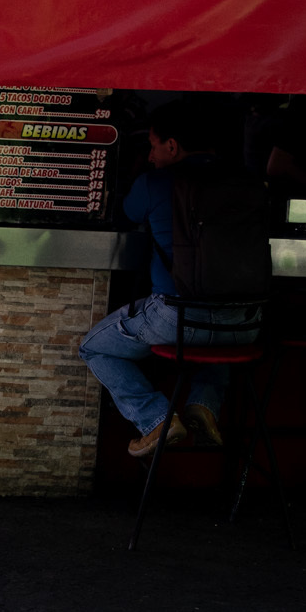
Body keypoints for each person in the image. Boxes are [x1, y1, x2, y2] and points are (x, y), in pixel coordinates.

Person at [78, 101, 265, 458]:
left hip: (178, 319)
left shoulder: (155, 182)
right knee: (217, 340)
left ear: (173, 146)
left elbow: (125, 215)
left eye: (153, 145)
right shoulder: (248, 181)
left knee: (94, 347)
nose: (150, 155)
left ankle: (157, 420)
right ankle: (204, 405)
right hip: (245, 322)